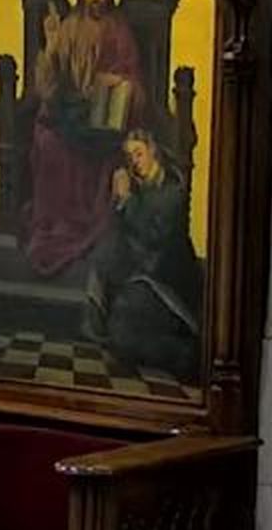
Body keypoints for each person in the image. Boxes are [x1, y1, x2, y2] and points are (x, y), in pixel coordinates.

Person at [23, 0, 146, 277]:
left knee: (101, 149)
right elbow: (47, 84)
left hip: (104, 117)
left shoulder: (119, 31)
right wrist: (51, 43)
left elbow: (135, 82)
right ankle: (58, 226)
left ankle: (85, 228)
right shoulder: (68, 27)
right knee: (49, 143)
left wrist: (116, 82)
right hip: (70, 112)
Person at [83, 129, 201, 379]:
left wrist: (127, 200)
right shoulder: (140, 186)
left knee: (124, 333)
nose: (135, 161)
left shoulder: (173, 191)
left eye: (139, 153)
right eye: (130, 156)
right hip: (142, 273)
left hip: (167, 283)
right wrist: (119, 201)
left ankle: (185, 356)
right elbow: (121, 232)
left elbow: (152, 236)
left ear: (153, 152)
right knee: (100, 268)